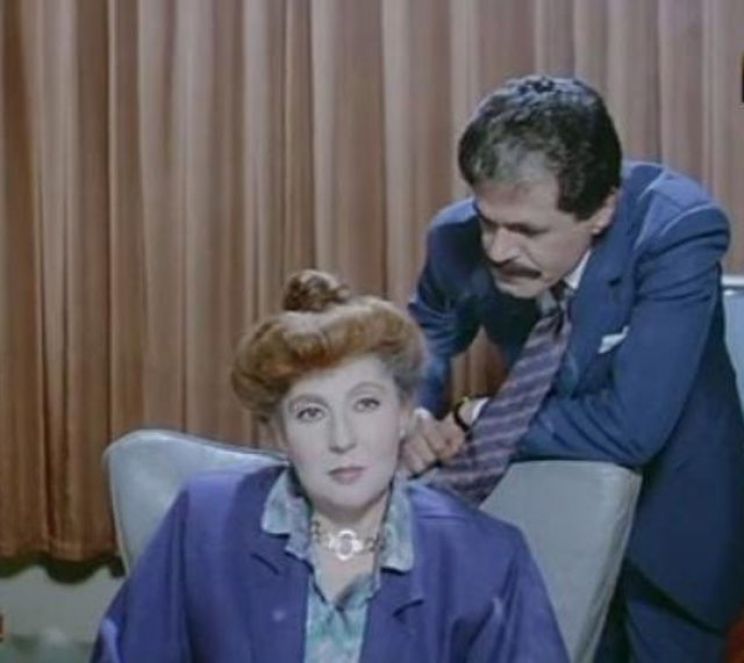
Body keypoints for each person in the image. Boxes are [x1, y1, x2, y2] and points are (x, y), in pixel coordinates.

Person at [405, 74, 744, 662]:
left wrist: (479, 417)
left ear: (603, 209)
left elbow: (630, 427)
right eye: (488, 220)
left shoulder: (676, 231)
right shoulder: (455, 239)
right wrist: (411, 412)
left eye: (527, 231)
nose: (497, 250)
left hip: (675, 540)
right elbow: (422, 339)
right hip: (545, 528)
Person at [92, 269, 568, 662]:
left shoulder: (487, 556)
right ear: (279, 433)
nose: (342, 439)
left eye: (366, 404)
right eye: (310, 413)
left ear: (405, 413)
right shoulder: (205, 521)